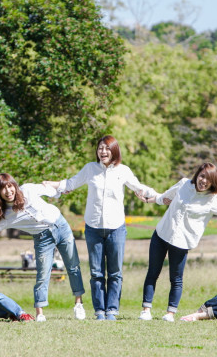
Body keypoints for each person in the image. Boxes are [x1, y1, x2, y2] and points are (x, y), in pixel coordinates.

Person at [43, 135, 158, 320]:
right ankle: (99, 311)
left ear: (114, 150)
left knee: (115, 272)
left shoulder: (123, 171)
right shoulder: (90, 169)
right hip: (94, 228)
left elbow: (139, 188)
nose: (103, 151)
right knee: (96, 272)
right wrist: (52, 184)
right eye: (100, 148)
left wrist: (159, 196)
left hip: (116, 229)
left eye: (107, 148)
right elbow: (71, 184)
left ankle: (111, 310)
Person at [136, 162, 217, 322]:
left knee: (176, 279)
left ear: (213, 182)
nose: (204, 181)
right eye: (202, 176)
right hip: (161, 234)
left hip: (182, 242)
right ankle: (146, 310)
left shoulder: (212, 200)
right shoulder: (183, 184)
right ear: (197, 175)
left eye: (208, 179)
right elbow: (164, 198)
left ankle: (170, 313)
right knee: (152, 273)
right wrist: (148, 200)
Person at [0, 173, 85, 322]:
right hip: (42, 238)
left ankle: (78, 304)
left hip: (61, 226)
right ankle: (40, 312)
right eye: (3, 189)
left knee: (73, 266)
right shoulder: (5, 216)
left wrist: (60, 189)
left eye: (9, 186)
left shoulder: (27, 189)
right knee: (42, 274)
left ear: (14, 185)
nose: (8, 191)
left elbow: (48, 189)